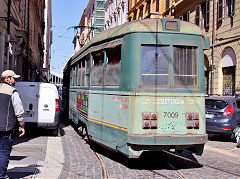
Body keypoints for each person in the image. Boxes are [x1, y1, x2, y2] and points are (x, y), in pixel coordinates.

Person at [0, 70, 25, 178]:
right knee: (3, 152)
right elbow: (19, 111)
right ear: (7, 79)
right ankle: (1, 175)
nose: (15, 80)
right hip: (5, 127)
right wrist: (22, 125)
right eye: (14, 78)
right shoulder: (12, 92)